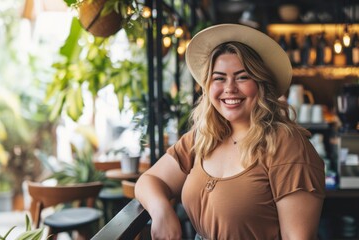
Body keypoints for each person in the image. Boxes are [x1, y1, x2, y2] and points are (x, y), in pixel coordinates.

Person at [135, 24, 325, 239]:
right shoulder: (205, 136)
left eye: (242, 77)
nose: (230, 88)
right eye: (219, 78)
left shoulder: (286, 145)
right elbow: (149, 180)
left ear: (261, 84)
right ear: (208, 86)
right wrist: (161, 211)